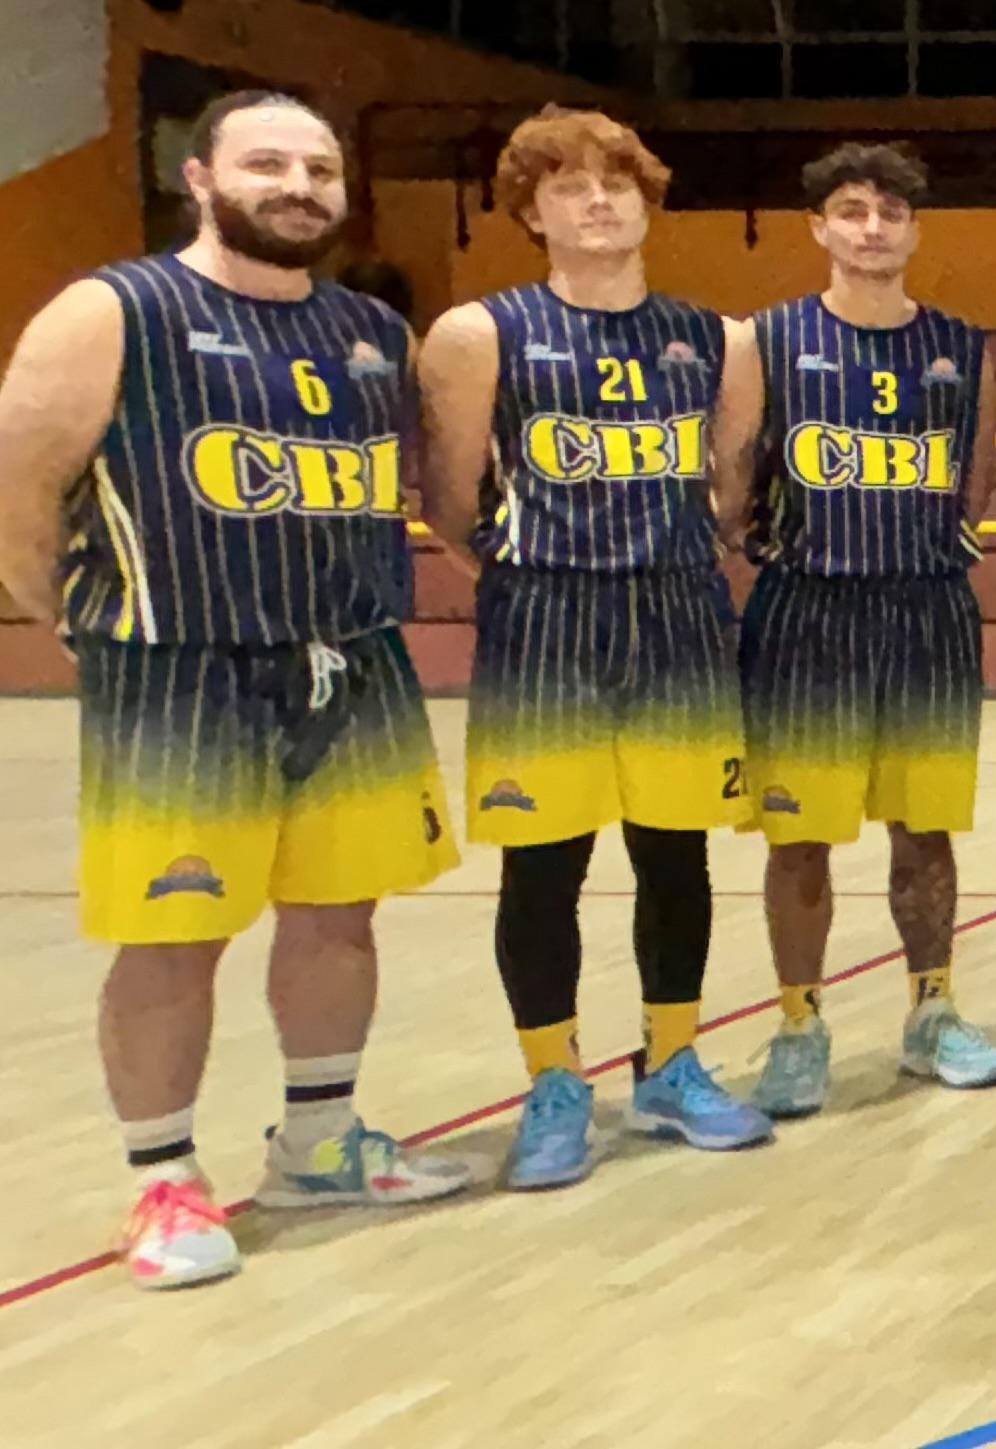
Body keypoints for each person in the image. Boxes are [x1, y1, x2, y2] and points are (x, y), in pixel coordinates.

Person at [0, 90, 470, 1288]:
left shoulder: (373, 330)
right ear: (200, 178)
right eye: (267, 163)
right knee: (174, 936)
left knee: (339, 915)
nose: (298, 187)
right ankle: (162, 1179)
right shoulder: (115, 310)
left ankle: (320, 1141)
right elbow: (20, 489)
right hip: (183, 670)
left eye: (319, 168)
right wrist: (83, 622)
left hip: (351, 660)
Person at [415, 106, 767, 1185]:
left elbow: (730, 491)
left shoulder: (723, 340)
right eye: (568, 186)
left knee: (676, 854)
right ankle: (553, 1081)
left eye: (616, 182)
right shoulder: (480, 333)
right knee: (543, 864)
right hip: (546, 622)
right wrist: (527, 575)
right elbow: (449, 497)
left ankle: (672, 1061)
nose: (598, 201)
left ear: (648, 200)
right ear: (531, 213)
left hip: (676, 615)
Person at [725, 143, 996, 1111]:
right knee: (799, 838)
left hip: (924, 607)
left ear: (915, 230)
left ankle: (933, 1012)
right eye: (851, 210)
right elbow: (732, 482)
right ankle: (799, 1026)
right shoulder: (765, 340)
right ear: (819, 227)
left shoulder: (963, 347)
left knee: (925, 832)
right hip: (808, 610)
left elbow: (974, 484)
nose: (873, 228)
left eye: (891, 212)